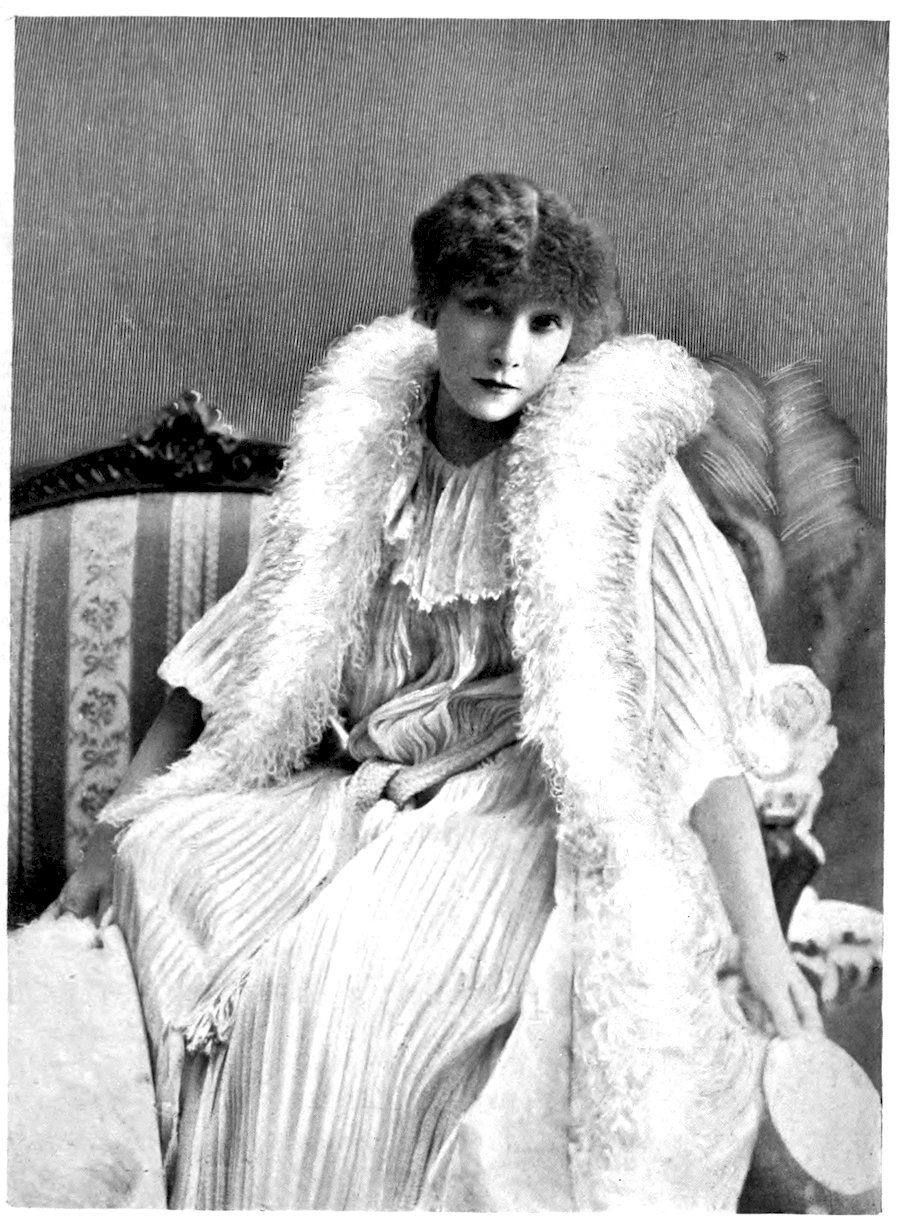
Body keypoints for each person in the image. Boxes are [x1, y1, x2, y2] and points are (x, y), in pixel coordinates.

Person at [55, 172, 829, 1210]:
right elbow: (225, 666)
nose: (509, 349)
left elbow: (696, 737)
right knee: (168, 863)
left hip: (514, 812)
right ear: (431, 306)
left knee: (340, 986)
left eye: (543, 323)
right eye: (483, 308)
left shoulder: (610, 478)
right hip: (352, 788)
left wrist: (759, 942)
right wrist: (109, 839)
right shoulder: (359, 454)